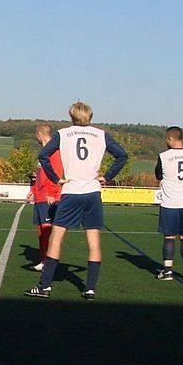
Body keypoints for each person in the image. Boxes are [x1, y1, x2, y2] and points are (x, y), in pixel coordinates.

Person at [25, 101, 128, 301]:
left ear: (71, 116)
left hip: (71, 191)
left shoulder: (63, 134)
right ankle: (90, 288)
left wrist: (56, 179)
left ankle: (45, 286)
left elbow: (43, 155)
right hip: (92, 192)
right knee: (94, 240)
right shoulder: (101, 134)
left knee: (56, 238)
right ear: (90, 116)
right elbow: (122, 156)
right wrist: (107, 175)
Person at [155, 126, 183, 281]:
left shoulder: (163, 156)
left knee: (169, 237)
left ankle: (167, 271)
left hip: (169, 203)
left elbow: (158, 175)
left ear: (170, 139)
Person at [26, 124, 63, 271]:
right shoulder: (44, 152)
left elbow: (57, 173)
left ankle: (50, 261)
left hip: (48, 197)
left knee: (48, 231)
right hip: (40, 197)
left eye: (36, 134)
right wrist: (33, 190)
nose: (36, 137)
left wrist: (52, 193)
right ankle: (44, 260)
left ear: (40, 134)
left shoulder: (54, 151)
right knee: (42, 231)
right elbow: (40, 175)